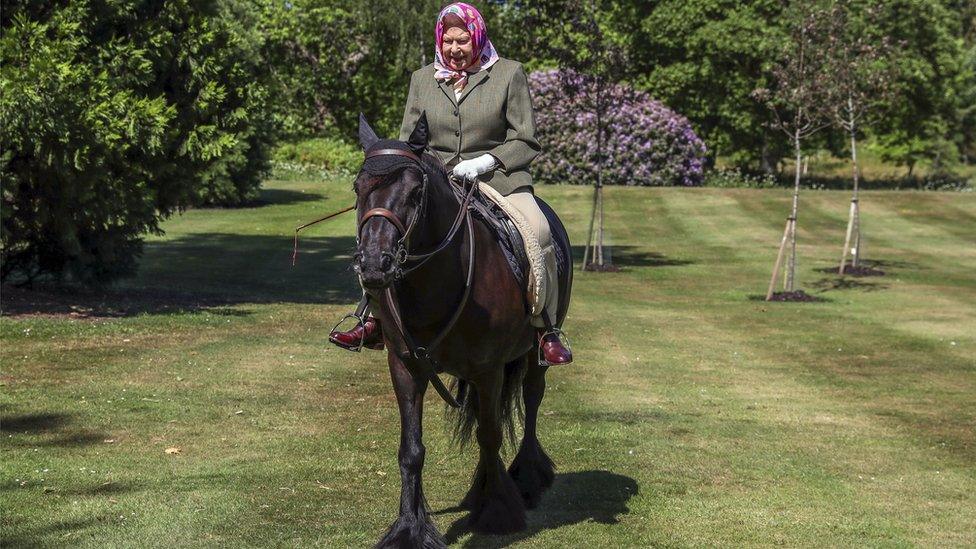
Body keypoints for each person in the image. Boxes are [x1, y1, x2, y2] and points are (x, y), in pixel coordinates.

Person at [330, 2, 572, 365]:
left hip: (498, 179)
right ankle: (374, 318)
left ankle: (545, 327)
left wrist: (486, 162)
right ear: (439, 41)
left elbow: (526, 140)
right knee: (383, 231)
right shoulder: (421, 79)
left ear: (477, 37)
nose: (455, 49)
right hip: (436, 180)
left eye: (463, 41)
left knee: (538, 231)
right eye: (449, 41)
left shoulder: (508, 74)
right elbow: (410, 142)